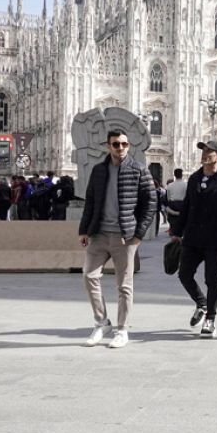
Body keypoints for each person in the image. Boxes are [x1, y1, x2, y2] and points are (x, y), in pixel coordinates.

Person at [78, 130, 155, 349]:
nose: (120, 148)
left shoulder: (139, 170)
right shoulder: (99, 171)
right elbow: (90, 201)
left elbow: (150, 203)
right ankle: (102, 322)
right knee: (89, 276)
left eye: (123, 144)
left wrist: (139, 234)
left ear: (129, 146)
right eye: (115, 144)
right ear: (108, 146)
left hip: (125, 237)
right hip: (99, 234)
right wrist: (84, 230)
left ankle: (122, 330)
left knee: (124, 286)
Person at [173, 140, 217, 337]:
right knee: (184, 274)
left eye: (209, 152)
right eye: (203, 151)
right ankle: (201, 303)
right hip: (193, 236)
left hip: (214, 238)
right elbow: (187, 205)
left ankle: (210, 318)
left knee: (211, 278)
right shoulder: (195, 178)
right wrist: (177, 231)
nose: (205, 154)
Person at [164, 167, 187, 236]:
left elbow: (167, 198)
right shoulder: (186, 185)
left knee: (173, 223)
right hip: (183, 205)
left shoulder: (169, 186)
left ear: (174, 175)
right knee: (182, 223)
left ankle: (173, 234)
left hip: (172, 205)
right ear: (182, 175)